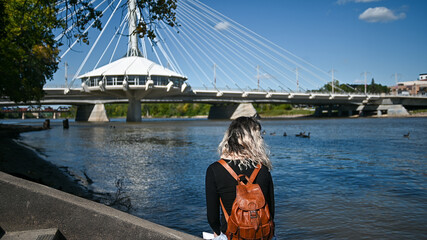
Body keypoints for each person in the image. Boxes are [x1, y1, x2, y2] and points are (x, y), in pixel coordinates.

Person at [205, 116, 275, 239]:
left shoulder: (215, 169)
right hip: (262, 235)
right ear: (254, 140)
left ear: (229, 138)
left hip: (231, 235)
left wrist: (218, 233)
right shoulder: (263, 169)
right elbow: (271, 212)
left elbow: (212, 217)